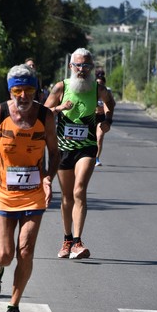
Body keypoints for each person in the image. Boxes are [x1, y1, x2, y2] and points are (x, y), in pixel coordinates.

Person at [0, 64, 60, 312]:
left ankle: (14, 306)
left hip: (33, 193)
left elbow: (55, 153)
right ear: (10, 91)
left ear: (37, 90)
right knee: (6, 253)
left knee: (26, 250)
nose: (23, 96)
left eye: (29, 90)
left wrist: (47, 178)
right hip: (2, 192)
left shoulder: (45, 117)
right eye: (18, 91)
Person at [44, 48, 115, 259]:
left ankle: (78, 241)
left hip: (87, 147)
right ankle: (67, 240)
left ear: (91, 68)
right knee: (66, 197)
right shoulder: (61, 87)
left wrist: (107, 120)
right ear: (70, 67)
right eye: (78, 65)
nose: (81, 69)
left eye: (86, 65)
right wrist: (59, 109)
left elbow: (110, 103)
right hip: (64, 149)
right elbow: (45, 112)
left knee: (79, 191)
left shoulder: (97, 89)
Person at [95, 71, 116, 167]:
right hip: (91, 117)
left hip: (101, 117)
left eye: (101, 84)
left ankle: (96, 159)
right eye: (98, 83)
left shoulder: (107, 91)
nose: (100, 85)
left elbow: (112, 104)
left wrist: (104, 109)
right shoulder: (90, 91)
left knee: (99, 138)